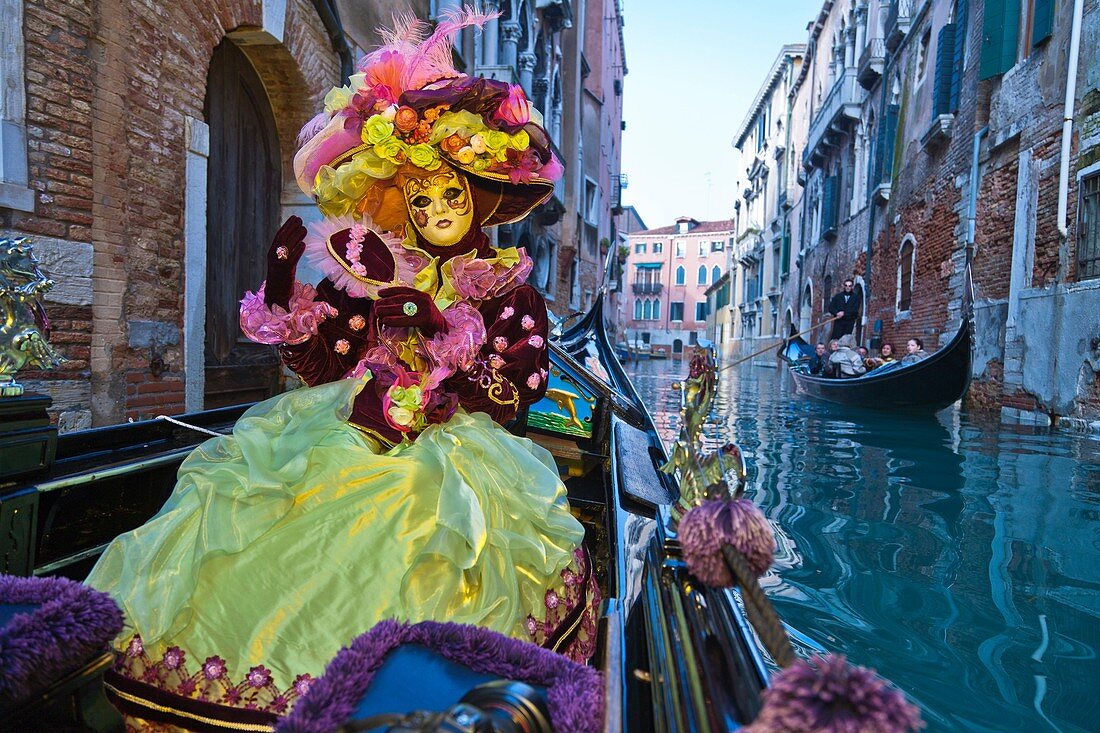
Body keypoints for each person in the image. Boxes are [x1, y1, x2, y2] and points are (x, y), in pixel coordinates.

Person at [85, 15, 595, 726]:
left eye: (453, 195)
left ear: (481, 197)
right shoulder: (376, 271)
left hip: (453, 453)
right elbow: (326, 365)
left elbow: (513, 393)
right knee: (250, 503)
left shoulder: (510, 288)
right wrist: (287, 299)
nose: (438, 210)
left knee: (422, 513)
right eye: (422, 197)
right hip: (342, 429)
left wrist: (441, 360)